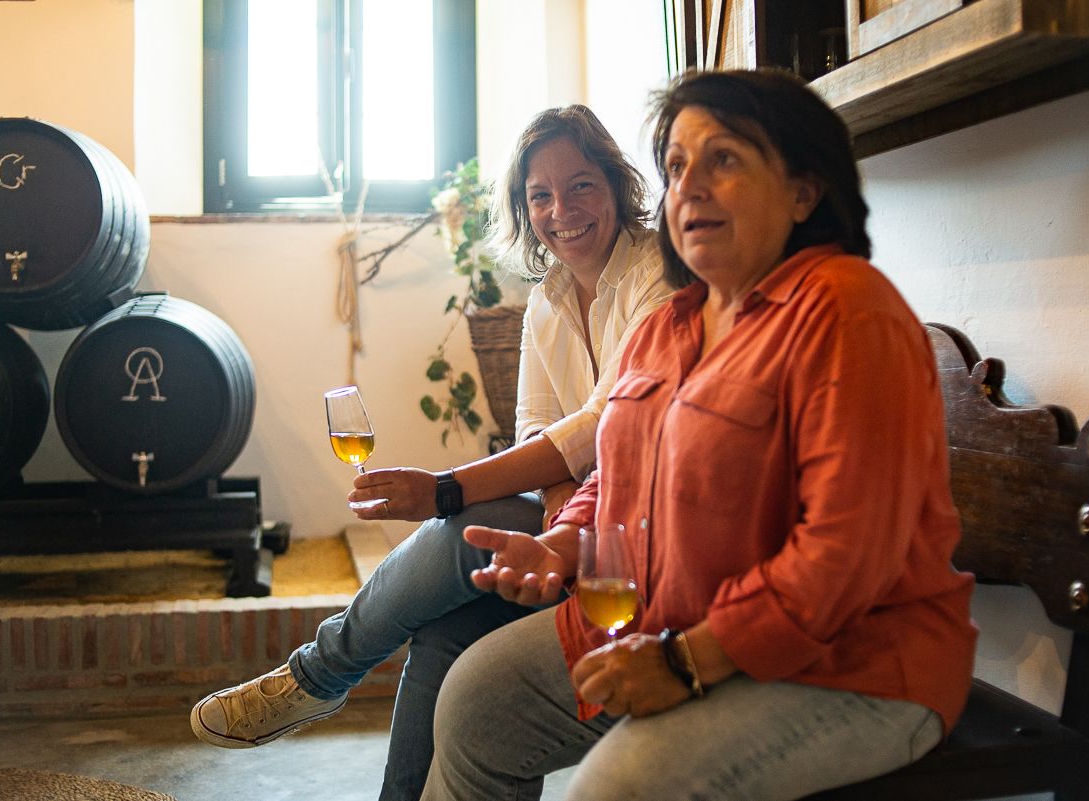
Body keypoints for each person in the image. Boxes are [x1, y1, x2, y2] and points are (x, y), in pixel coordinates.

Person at [420, 68, 979, 801]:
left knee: (615, 788)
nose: (690, 185)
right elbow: (618, 479)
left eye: (724, 159)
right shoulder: (667, 326)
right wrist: (565, 542)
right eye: (678, 165)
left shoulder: (846, 311)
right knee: (474, 702)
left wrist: (684, 661)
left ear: (803, 191)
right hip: (670, 625)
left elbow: (842, 558)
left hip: (852, 668)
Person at [189, 105, 673, 801]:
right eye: (540, 194)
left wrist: (447, 487)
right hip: (584, 522)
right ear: (522, 207)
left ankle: (318, 675)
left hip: (637, 528)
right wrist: (567, 528)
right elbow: (540, 433)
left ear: (616, 185)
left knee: (456, 539)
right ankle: (330, 695)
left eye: (581, 186)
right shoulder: (546, 301)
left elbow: (604, 424)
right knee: (448, 627)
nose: (560, 210)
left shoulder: (657, 273)